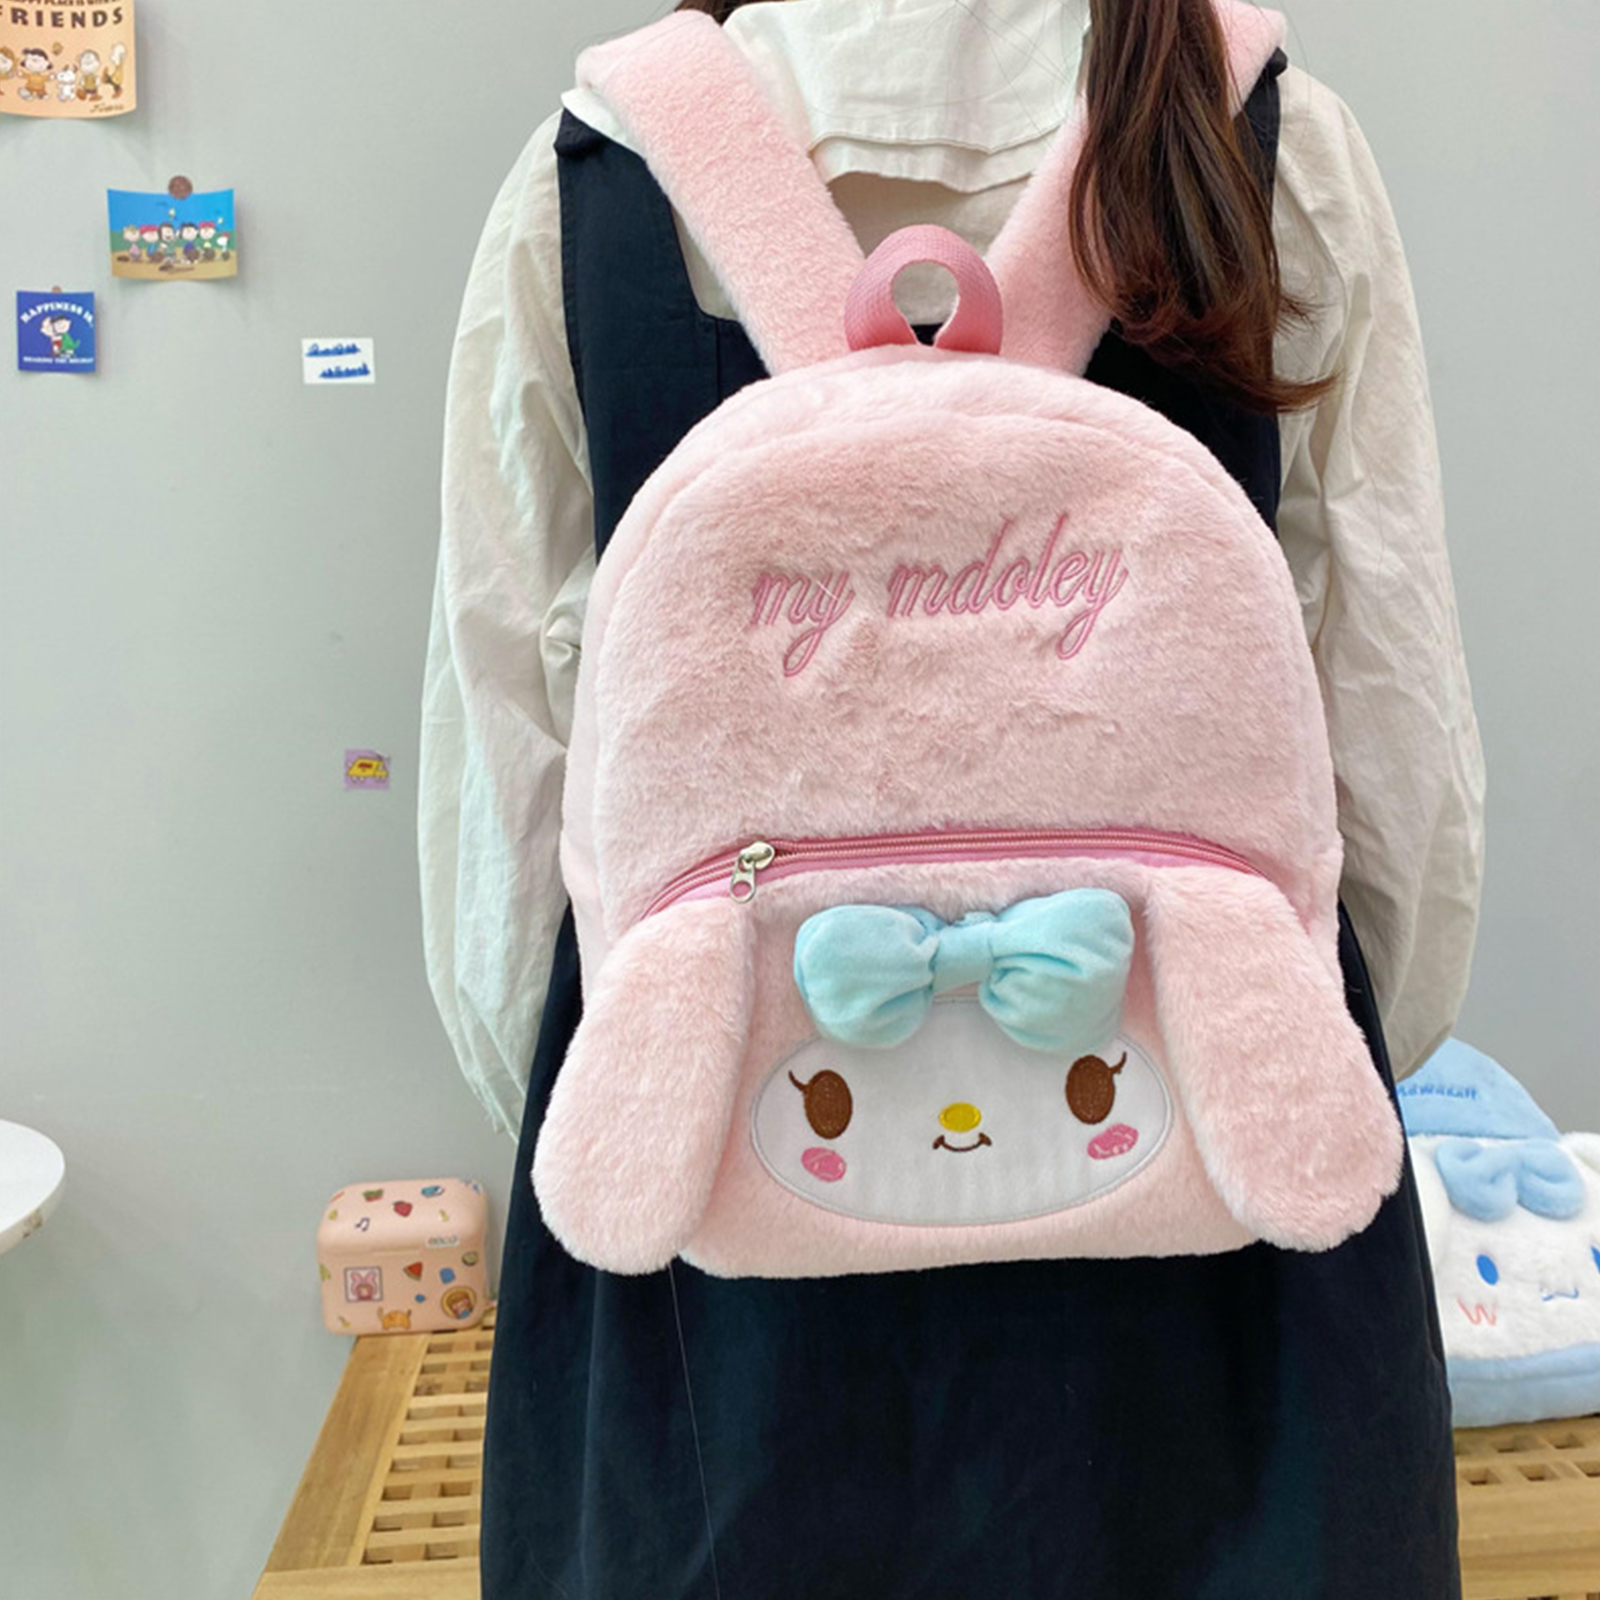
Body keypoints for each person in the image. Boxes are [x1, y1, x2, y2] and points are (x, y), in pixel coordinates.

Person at [420, 0, 1486, 1594]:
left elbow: (507, 786)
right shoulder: (1265, 138)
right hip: (1218, 1225)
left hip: (716, 1261)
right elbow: (1395, 754)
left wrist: (627, 1098)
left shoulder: (597, 168)